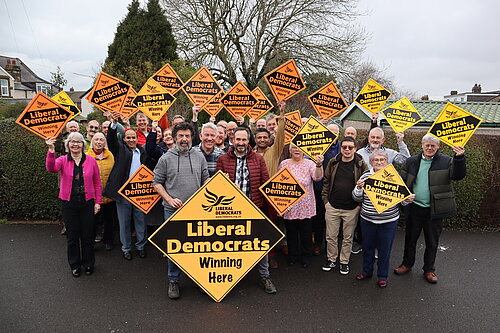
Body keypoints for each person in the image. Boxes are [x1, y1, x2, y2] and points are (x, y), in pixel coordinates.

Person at [394, 134, 466, 284]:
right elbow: (401, 181)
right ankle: (407, 264)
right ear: (422, 145)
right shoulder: (411, 161)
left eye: (433, 145)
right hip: (415, 208)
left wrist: (459, 158)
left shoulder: (446, 161)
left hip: (434, 210)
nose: (430, 148)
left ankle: (429, 269)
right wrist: (403, 198)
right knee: (410, 239)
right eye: (427, 145)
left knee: (432, 242)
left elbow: (458, 176)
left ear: (438, 146)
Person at [216, 127, 277, 294]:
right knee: (230, 245)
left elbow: (265, 183)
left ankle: (265, 276)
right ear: (233, 140)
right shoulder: (222, 159)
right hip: (230, 211)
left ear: (248, 140)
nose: (241, 143)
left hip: (254, 208)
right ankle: (230, 277)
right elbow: (216, 186)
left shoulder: (258, 159)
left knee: (260, 244)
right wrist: (226, 186)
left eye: (244, 140)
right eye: (238, 139)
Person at [153, 122, 209, 300]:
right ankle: (174, 280)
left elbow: (206, 179)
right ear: (175, 138)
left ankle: (199, 279)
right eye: (181, 136)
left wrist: (202, 197)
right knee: (175, 248)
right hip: (172, 210)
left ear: (192, 138)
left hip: (197, 210)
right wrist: (169, 199)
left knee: (198, 247)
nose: (184, 139)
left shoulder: (199, 156)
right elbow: (157, 182)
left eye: (187, 136)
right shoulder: (165, 158)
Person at [353, 149, 415, 288]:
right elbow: (356, 198)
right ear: (371, 162)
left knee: (384, 250)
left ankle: (382, 276)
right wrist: (358, 188)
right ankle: (366, 271)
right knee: (367, 248)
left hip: (388, 221)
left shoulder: (394, 177)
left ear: (386, 162)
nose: (379, 162)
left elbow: (402, 201)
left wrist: (408, 200)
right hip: (367, 220)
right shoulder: (365, 176)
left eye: (382, 160)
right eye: (376, 160)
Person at [45, 132, 101, 277]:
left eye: (78, 142)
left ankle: (88, 264)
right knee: (72, 236)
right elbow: (51, 168)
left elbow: (97, 183)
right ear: (68, 145)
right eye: (72, 142)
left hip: (87, 203)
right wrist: (51, 150)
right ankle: (75, 264)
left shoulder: (91, 160)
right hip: (68, 203)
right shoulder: (63, 160)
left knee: (87, 235)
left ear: (83, 144)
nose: (75, 144)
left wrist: (98, 202)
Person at [104, 112, 149, 261]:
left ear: (137, 139)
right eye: (128, 137)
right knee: (124, 222)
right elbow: (111, 139)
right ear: (123, 139)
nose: (131, 140)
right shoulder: (119, 150)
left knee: (140, 221)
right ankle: (126, 248)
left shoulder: (142, 152)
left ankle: (141, 246)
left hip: (139, 192)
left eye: (133, 137)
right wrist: (114, 124)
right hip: (123, 193)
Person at [322, 137, 368, 275]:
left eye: (350, 147)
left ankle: (344, 262)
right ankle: (331, 259)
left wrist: (359, 204)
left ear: (355, 148)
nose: (347, 150)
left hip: (352, 208)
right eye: (344, 147)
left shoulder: (360, 164)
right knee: (331, 236)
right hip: (333, 206)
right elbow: (326, 182)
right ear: (341, 148)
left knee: (348, 237)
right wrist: (326, 202)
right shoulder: (333, 162)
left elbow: (367, 183)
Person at [279, 145, 324, 267]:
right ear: (290, 151)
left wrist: (319, 165)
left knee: (306, 233)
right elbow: (279, 184)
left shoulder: (310, 164)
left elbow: (317, 177)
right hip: (290, 205)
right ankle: (292, 256)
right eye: (294, 148)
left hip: (306, 205)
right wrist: (281, 203)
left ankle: (306, 257)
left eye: (299, 148)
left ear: (304, 151)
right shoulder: (284, 164)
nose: (296, 150)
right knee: (291, 233)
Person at [312, 123, 340, 256]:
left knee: (334, 220)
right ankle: (318, 243)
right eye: (330, 132)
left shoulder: (343, 147)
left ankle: (332, 246)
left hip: (335, 190)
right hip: (319, 189)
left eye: (335, 133)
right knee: (319, 219)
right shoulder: (318, 148)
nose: (332, 135)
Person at [87, 132, 116, 251]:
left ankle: (108, 241)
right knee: (92, 221)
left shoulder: (111, 155)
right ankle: (90, 242)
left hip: (108, 194)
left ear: (105, 142)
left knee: (109, 220)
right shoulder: (86, 156)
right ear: (92, 142)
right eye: (96, 140)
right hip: (93, 196)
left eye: (101, 140)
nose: (99, 142)